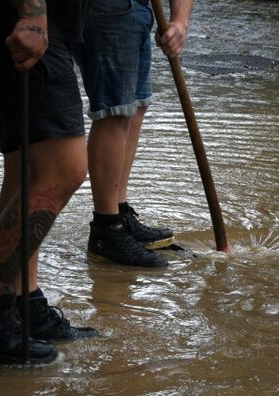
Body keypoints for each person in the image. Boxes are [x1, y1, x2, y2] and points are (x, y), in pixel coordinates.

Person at [0, 0, 98, 365]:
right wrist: (32, 13)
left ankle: (22, 304)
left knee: (26, 170)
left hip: (25, 21)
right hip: (22, 20)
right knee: (63, 167)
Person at [75, 0, 193, 268]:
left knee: (135, 108)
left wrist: (180, 21)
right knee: (114, 111)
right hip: (105, 7)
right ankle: (107, 229)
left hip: (138, 8)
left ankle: (120, 213)